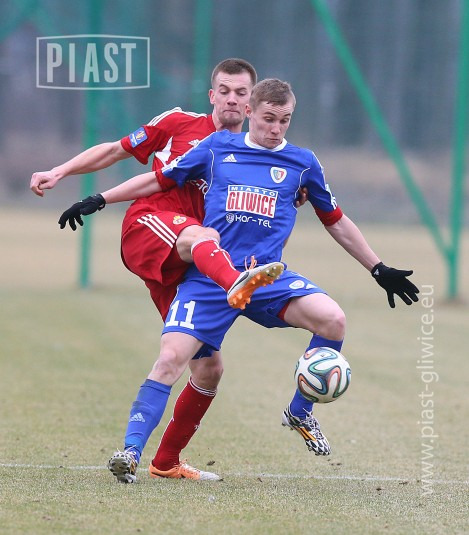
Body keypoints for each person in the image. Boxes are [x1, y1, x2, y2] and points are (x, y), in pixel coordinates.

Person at [61, 78, 419, 483]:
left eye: (285, 120)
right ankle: (130, 452)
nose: (276, 128)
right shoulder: (216, 148)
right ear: (249, 113)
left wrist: (378, 268)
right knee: (172, 360)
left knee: (333, 320)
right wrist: (101, 199)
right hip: (210, 280)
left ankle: (299, 412)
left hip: (267, 277)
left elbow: (335, 221)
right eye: (269, 118)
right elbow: (161, 179)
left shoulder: (303, 163)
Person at [32, 59, 290, 482]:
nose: (231, 99)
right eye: (224, 90)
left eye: (241, 93)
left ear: (251, 103)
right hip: (151, 227)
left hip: (191, 263)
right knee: (203, 235)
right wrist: (60, 171)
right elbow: (115, 150)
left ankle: (159, 461)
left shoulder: (257, 154)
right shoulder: (177, 123)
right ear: (212, 95)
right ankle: (236, 285)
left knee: (206, 368)